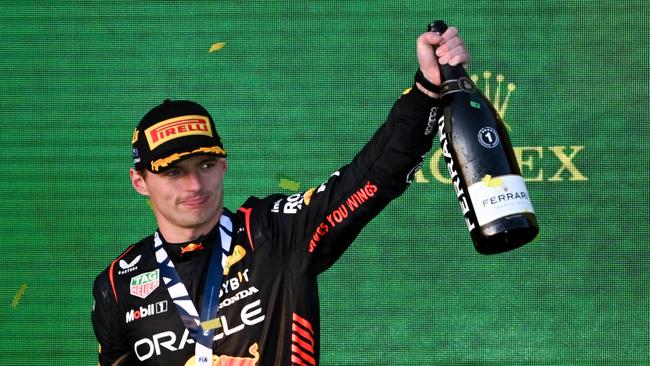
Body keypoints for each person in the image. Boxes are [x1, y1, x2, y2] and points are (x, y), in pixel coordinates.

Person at [92, 25, 470, 366]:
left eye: (206, 166)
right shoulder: (116, 285)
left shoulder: (274, 232)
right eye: (174, 172)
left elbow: (372, 177)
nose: (194, 186)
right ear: (139, 181)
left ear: (224, 166)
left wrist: (426, 90)